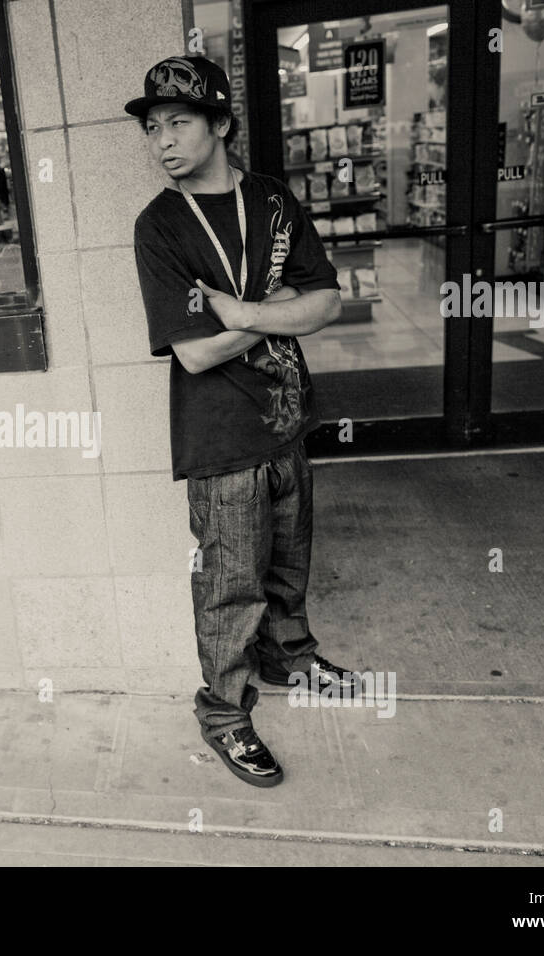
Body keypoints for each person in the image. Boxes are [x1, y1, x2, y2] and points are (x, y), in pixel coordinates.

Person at [126, 55, 360, 789]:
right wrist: (280, 306)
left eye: (179, 123)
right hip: (220, 435)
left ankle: (288, 658)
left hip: (287, 414)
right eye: (153, 127)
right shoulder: (160, 226)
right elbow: (196, 353)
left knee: (289, 564)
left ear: (221, 125)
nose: (162, 140)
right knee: (230, 585)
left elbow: (328, 302)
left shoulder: (273, 201)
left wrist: (248, 311)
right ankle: (224, 713)